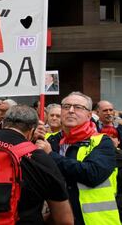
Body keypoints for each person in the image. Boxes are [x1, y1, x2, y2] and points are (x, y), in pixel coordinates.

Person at [37, 91, 119, 224]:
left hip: (95, 220)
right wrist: (31, 138)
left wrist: (51, 155)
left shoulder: (102, 141)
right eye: (66, 106)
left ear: (89, 115)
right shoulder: (48, 140)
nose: (70, 110)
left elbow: (92, 174)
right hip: (58, 219)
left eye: (78, 107)